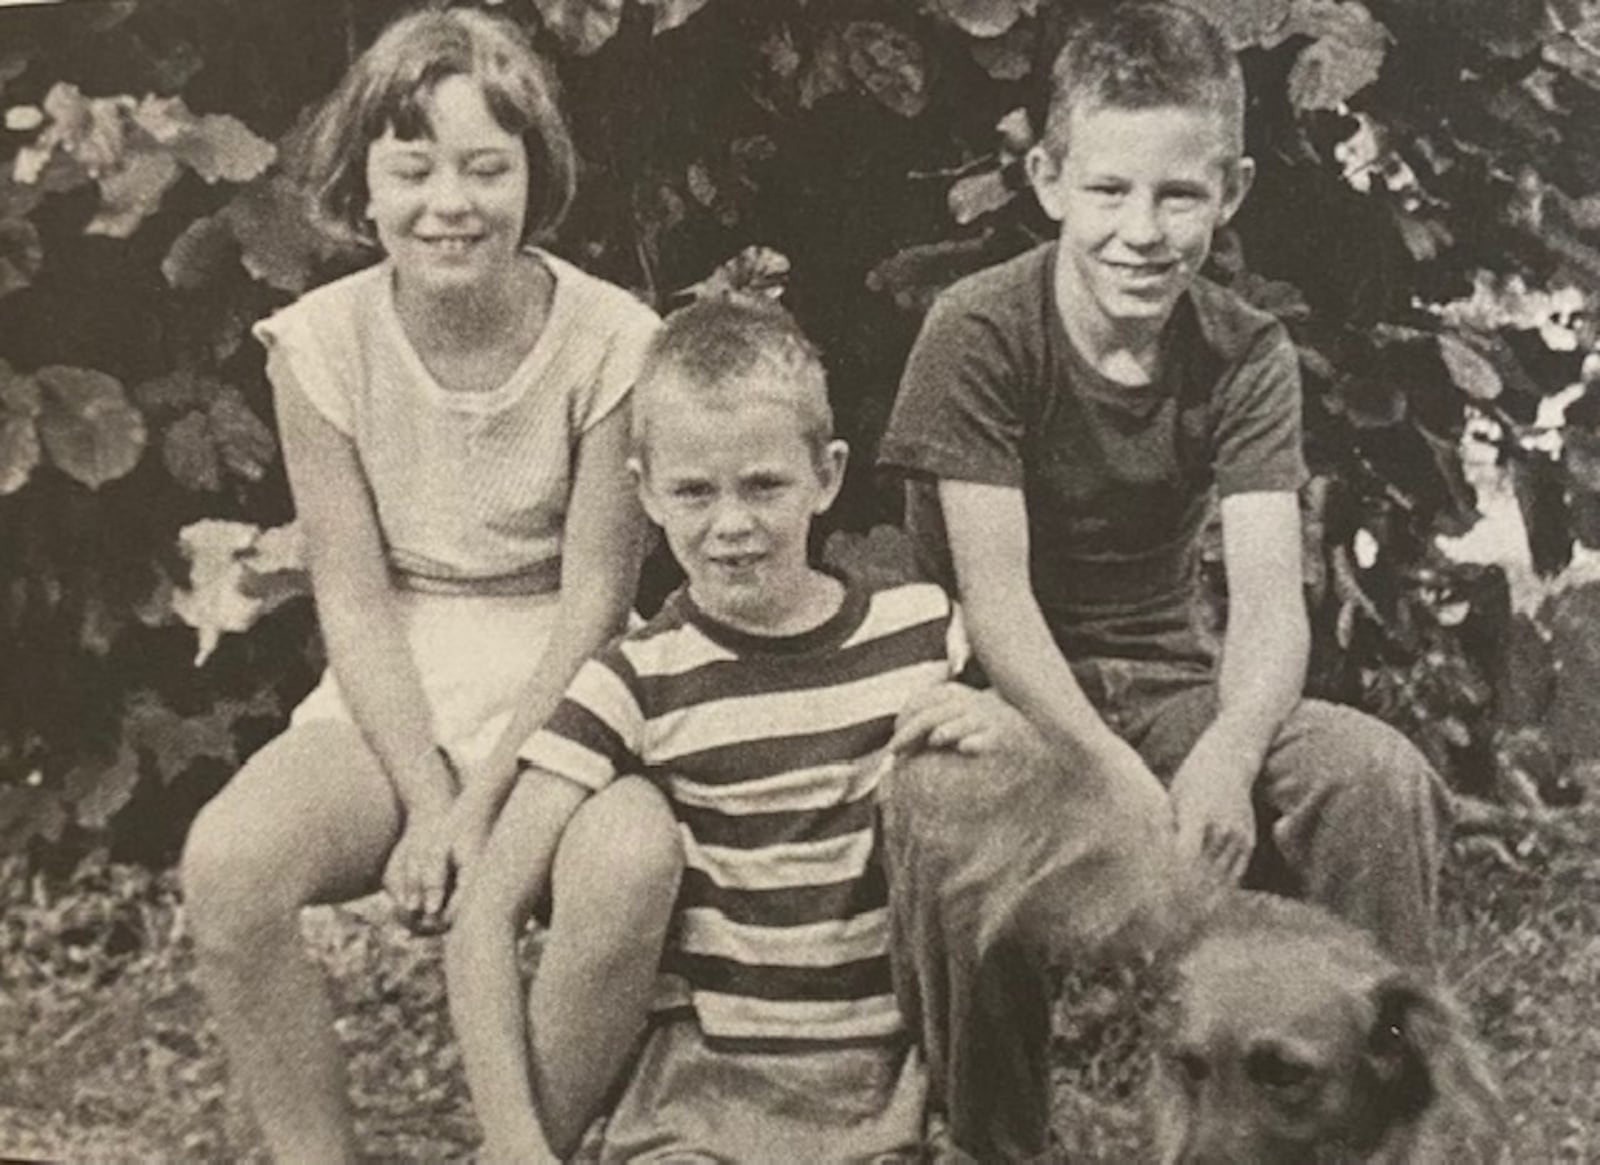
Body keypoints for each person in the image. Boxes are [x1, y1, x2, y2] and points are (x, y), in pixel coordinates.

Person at [875, 3, 1450, 1159]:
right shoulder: (978, 329)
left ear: (1230, 191)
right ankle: (992, 1138)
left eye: (1178, 195)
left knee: (1374, 776)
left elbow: (1269, 606)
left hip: (1173, 684)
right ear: (1046, 180)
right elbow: (998, 603)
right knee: (932, 811)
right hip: (1015, 693)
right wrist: (1118, 780)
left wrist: (1230, 753)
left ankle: (1378, 1127)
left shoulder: (1244, 351)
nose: (1141, 231)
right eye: (1108, 191)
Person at [178, 10, 662, 1161]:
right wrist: (428, 798)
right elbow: (350, 598)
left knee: (633, 858)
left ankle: (518, 1146)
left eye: (488, 167)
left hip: (567, 677)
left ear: (534, 177)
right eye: (414, 169)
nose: (452, 202)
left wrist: (483, 800)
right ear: (364, 186)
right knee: (228, 862)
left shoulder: (613, 340)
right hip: (395, 671)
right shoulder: (320, 343)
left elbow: (598, 599)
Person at [446, 296, 984, 1163]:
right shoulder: (635, 680)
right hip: (698, 1104)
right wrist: (514, 1143)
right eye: (693, 491)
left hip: (878, 1100)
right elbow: (486, 915)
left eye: (764, 484)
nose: (731, 525)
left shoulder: (924, 634)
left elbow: (1028, 801)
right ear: (645, 494)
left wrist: (997, 720)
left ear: (829, 474)